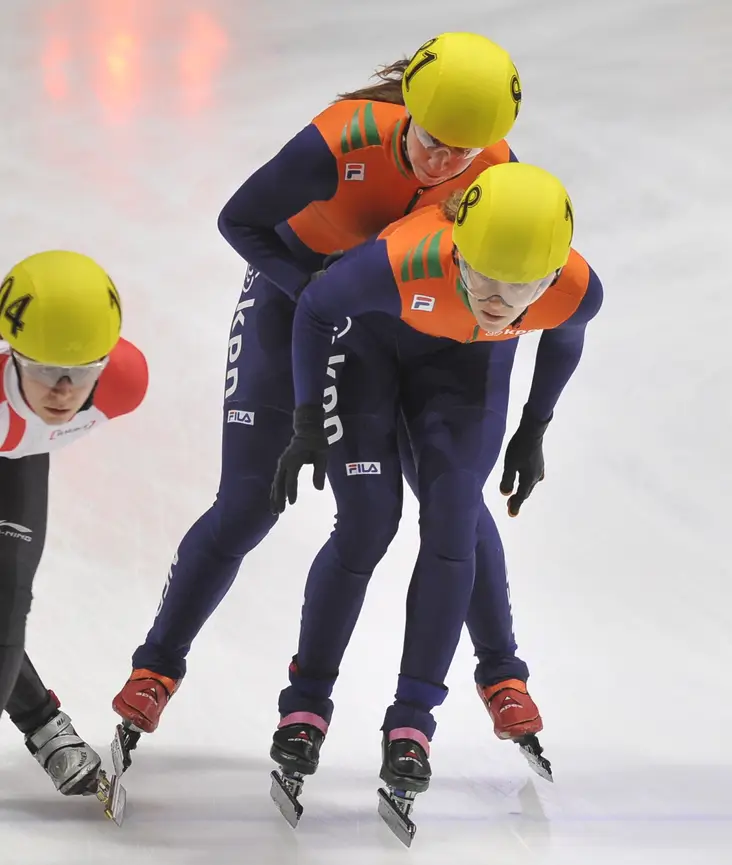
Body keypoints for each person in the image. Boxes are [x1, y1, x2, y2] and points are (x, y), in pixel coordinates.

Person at [113, 32, 546, 755]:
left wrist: (528, 421)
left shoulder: (494, 169)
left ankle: (502, 672)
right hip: (300, 296)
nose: (444, 164)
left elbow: (516, 280)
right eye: (433, 142)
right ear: (410, 112)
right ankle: (157, 665)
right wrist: (307, 286)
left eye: (463, 153)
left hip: (399, 316)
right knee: (249, 501)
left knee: (453, 494)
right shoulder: (341, 142)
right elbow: (238, 220)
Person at [268, 162, 603, 806]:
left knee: (453, 515)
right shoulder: (399, 261)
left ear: (553, 276)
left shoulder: (575, 289)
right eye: (483, 274)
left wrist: (534, 429)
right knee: (367, 522)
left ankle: (413, 721)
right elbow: (314, 308)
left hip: (463, 372)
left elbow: (565, 338)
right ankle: (305, 703)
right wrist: (307, 421)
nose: (498, 300)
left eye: (522, 286)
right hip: (369, 351)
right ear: (457, 252)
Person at [0, 250, 148, 796]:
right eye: (44, 370)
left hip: (17, 454)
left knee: (8, 601)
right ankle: (43, 724)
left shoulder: (124, 381)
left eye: (81, 372)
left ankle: (42, 724)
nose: (62, 391)